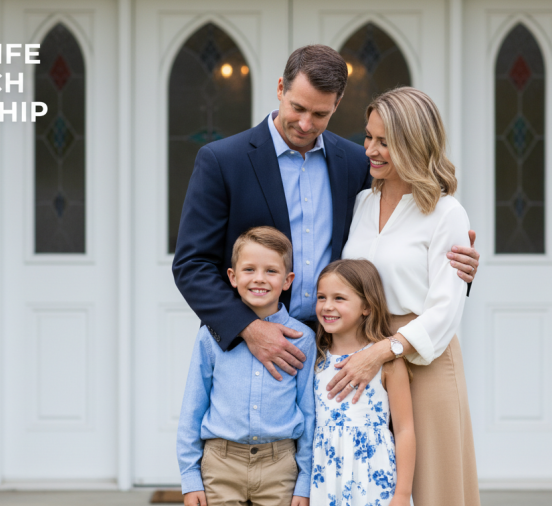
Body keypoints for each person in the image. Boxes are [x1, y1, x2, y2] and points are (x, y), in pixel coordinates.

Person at [172, 45, 481, 384]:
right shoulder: (222, 161)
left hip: (339, 350)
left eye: (319, 114)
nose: (305, 124)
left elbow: (396, 238)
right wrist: (251, 329)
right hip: (251, 349)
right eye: (297, 108)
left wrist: (453, 269)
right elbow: (192, 264)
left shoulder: (358, 163)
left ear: (337, 103)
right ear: (280, 89)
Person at [326, 88, 480, 505]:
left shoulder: (447, 213)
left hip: (422, 360)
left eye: (384, 142)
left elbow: (447, 309)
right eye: (368, 137)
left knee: (437, 492)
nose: (370, 150)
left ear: (413, 144)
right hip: (363, 360)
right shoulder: (361, 202)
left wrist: (382, 351)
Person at [176, 227, 317, 506]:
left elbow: (309, 413)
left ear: (288, 280)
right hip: (221, 465)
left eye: (271, 271)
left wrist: (304, 481)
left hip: (280, 468)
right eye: (249, 269)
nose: (259, 279)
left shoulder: (303, 340)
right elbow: (193, 406)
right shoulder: (211, 335)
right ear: (232, 276)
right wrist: (190, 477)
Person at [310, 259, 414, 506]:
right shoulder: (316, 359)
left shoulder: (387, 363)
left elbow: (404, 429)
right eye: (321, 297)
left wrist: (401, 494)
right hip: (326, 476)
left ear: (366, 306)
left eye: (339, 298)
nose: (327, 306)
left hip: (373, 475)